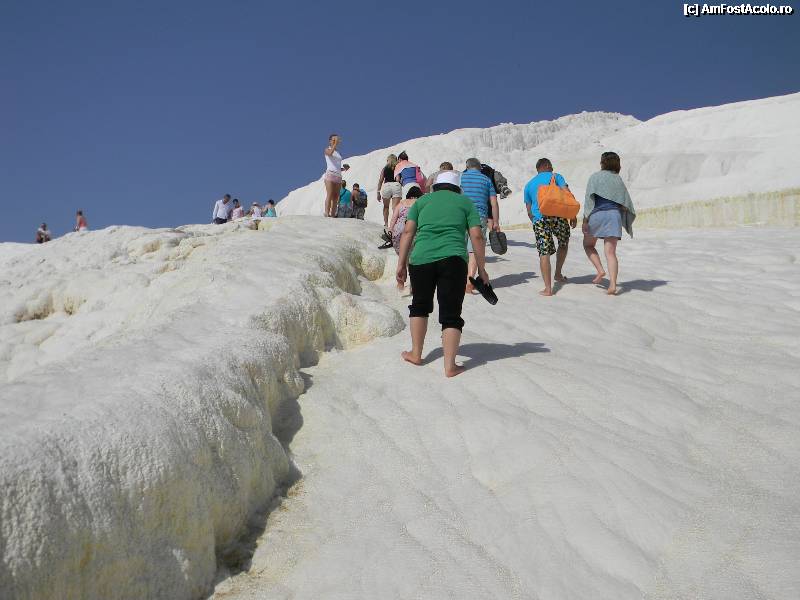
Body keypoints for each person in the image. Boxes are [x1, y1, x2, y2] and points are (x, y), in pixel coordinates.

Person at [396, 171, 488, 378]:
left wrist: (401, 264)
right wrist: (481, 269)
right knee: (451, 313)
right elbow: (476, 236)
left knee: (419, 305)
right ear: (457, 188)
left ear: (435, 186)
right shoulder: (465, 203)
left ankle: (416, 354)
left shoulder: (421, 202)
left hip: (421, 259)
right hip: (453, 260)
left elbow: (408, 232)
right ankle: (450, 366)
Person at [582, 151, 636, 295]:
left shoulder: (594, 177)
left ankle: (600, 270)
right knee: (610, 253)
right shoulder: (617, 179)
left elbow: (589, 201)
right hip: (613, 216)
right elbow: (625, 205)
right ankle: (612, 285)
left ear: (602, 163)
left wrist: (585, 220)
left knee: (588, 245)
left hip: (597, 216)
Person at [523, 158, 577, 297]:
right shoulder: (556, 176)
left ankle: (548, 289)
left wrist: (536, 221)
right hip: (558, 215)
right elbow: (567, 194)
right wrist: (572, 215)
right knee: (563, 243)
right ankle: (558, 274)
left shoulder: (529, 185)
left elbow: (528, 210)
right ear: (547, 165)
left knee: (544, 252)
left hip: (540, 219)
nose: (552, 167)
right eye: (551, 165)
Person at [460, 158, 499, 293]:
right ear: (480, 168)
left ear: (467, 167)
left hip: (460, 215)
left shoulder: (460, 177)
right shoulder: (486, 180)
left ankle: (459, 278)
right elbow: (494, 203)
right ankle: (469, 281)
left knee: (460, 247)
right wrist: (495, 221)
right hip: (479, 217)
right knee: (474, 250)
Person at [389, 185, 423, 290]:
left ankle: (400, 285)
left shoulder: (401, 203)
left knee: (402, 259)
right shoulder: (419, 203)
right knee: (413, 260)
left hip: (398, 232)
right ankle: (413, 285)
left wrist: (390, 230)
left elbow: (394, 218)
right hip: (412, 231)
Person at [377, 154, 402, 228]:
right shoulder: (397, 167)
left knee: (386, 207)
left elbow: (381, 180)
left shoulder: (384, 168)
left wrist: (378, 192)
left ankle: (386, 224)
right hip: (396, 185)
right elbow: (398, 179)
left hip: (387, 186)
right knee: (395, 208)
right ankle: (395, 225)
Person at [323, 133, 343, 217]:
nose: (336, 141)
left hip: (338, 175)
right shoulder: (327, 149)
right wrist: (334, 144)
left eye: (336, 140)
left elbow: (336, 163)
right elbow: (330, 153)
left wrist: (341, 169)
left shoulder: (337, 152)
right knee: (330, 194)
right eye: (334, 140)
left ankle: (333, 214)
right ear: (330, 141)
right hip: (330, 174)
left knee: (336, 197)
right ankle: (327, 213)